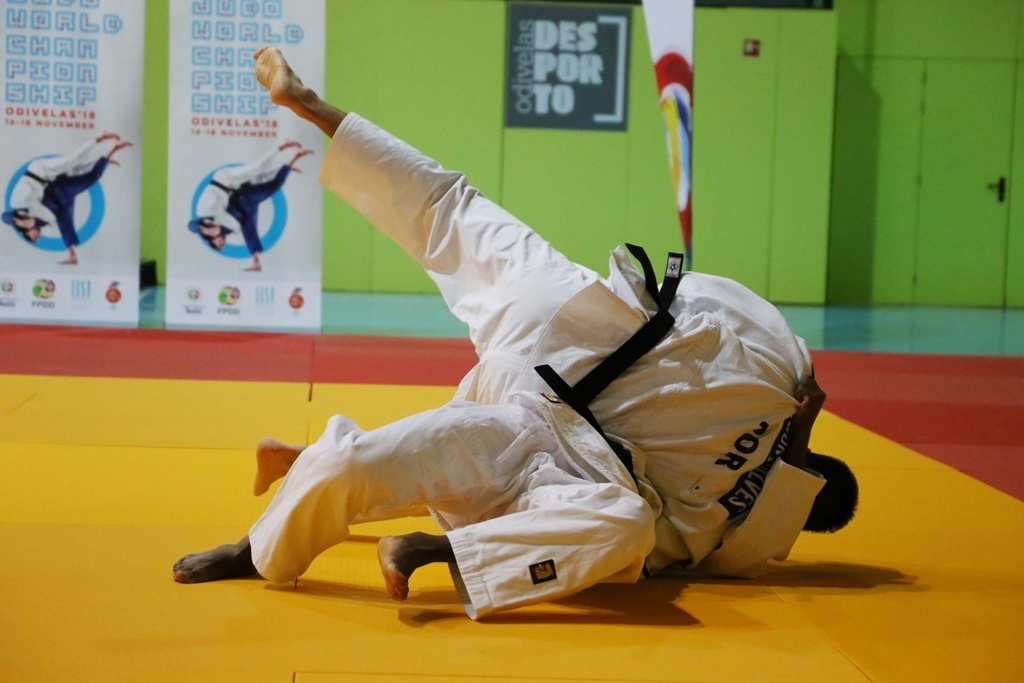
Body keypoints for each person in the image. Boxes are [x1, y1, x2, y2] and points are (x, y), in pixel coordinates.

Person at [173, 46, 858, 619]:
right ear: (809, 502)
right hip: (570, 392)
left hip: (569, 338)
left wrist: (802, 408)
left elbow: (699, 296)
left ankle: (310, 105)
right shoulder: (754, 524)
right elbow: (717, 533)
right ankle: (345, 536)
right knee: (616, 524)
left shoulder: (783, 378)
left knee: (446, 209)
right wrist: (794, 427)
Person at [2, 132, 132, 264]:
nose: (38, 236)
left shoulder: (19, 212)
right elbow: (59, 221)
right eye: (38, 238)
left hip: (41, 171)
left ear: (27, 233)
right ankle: (106, 156)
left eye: (34, 238)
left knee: (74, 160)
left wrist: (18, 221)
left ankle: (99, 139)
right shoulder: (39, 219)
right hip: (53, 184)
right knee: (81, 172)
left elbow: (4, 217)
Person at [188, 141, 313, 271]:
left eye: (218, 245)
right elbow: (241, 228)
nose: (222, 243)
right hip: (238, 194)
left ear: (212, 240)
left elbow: (191, 225)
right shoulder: (224, 227)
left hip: (226, 180)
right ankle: (287, 165)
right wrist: (217, 229)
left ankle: (282, 147)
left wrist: (203, 227)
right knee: (261, 181)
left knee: (258, 169)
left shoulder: (205, 219)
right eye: (222, 246)